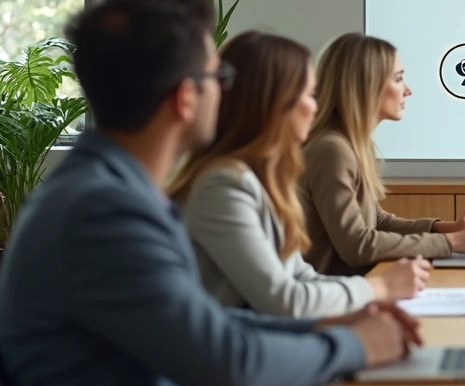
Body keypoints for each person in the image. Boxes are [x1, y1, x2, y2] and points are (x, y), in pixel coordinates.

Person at [0, 0, 421, 386]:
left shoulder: (106, 189)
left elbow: (207, 321)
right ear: (185, 98)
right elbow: (228, 365)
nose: (229, 94)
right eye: (219, 79)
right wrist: (355, 345)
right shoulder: (103, 213)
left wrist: (320, 331)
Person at [169, 31, 431, 318]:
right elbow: (285, 300)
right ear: (273, 103)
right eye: (307, 94)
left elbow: (300, 275)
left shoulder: (262, 178)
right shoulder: (221, 187)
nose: (315, 106)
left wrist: (372, 299)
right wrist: (379, 289)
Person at [301, 32, 465, 276]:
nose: (408, 90)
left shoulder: (349, 144)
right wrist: (453, 243)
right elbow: (357, 246)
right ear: (367, 85)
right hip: (333, 298)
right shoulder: (332, 150)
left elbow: (378, 222)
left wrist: (450, 229)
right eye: (398, 79)